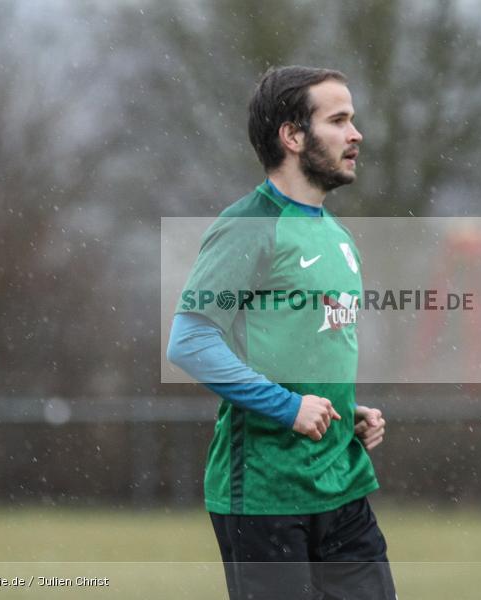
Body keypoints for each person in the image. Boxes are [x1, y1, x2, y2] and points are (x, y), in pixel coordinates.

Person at [167, 66, 396, 599]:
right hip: (265, 496)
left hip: (341, 486)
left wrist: (345, 409)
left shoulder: (337, 236)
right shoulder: (249, 226)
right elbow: (191, 340)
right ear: (292, 136)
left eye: (353, 120)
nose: (355, 134)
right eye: (338, 120)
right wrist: (288, 407)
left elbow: (304, 347)